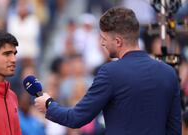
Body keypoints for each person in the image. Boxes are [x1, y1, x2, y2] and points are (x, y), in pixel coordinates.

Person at [34, 7, 181, 135]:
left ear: (118, 41)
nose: (102, 43)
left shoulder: (110, 72)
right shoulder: (169, 73)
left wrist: (49, 105)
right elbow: (174, 130)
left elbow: (76, 118)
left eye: (104, 38)